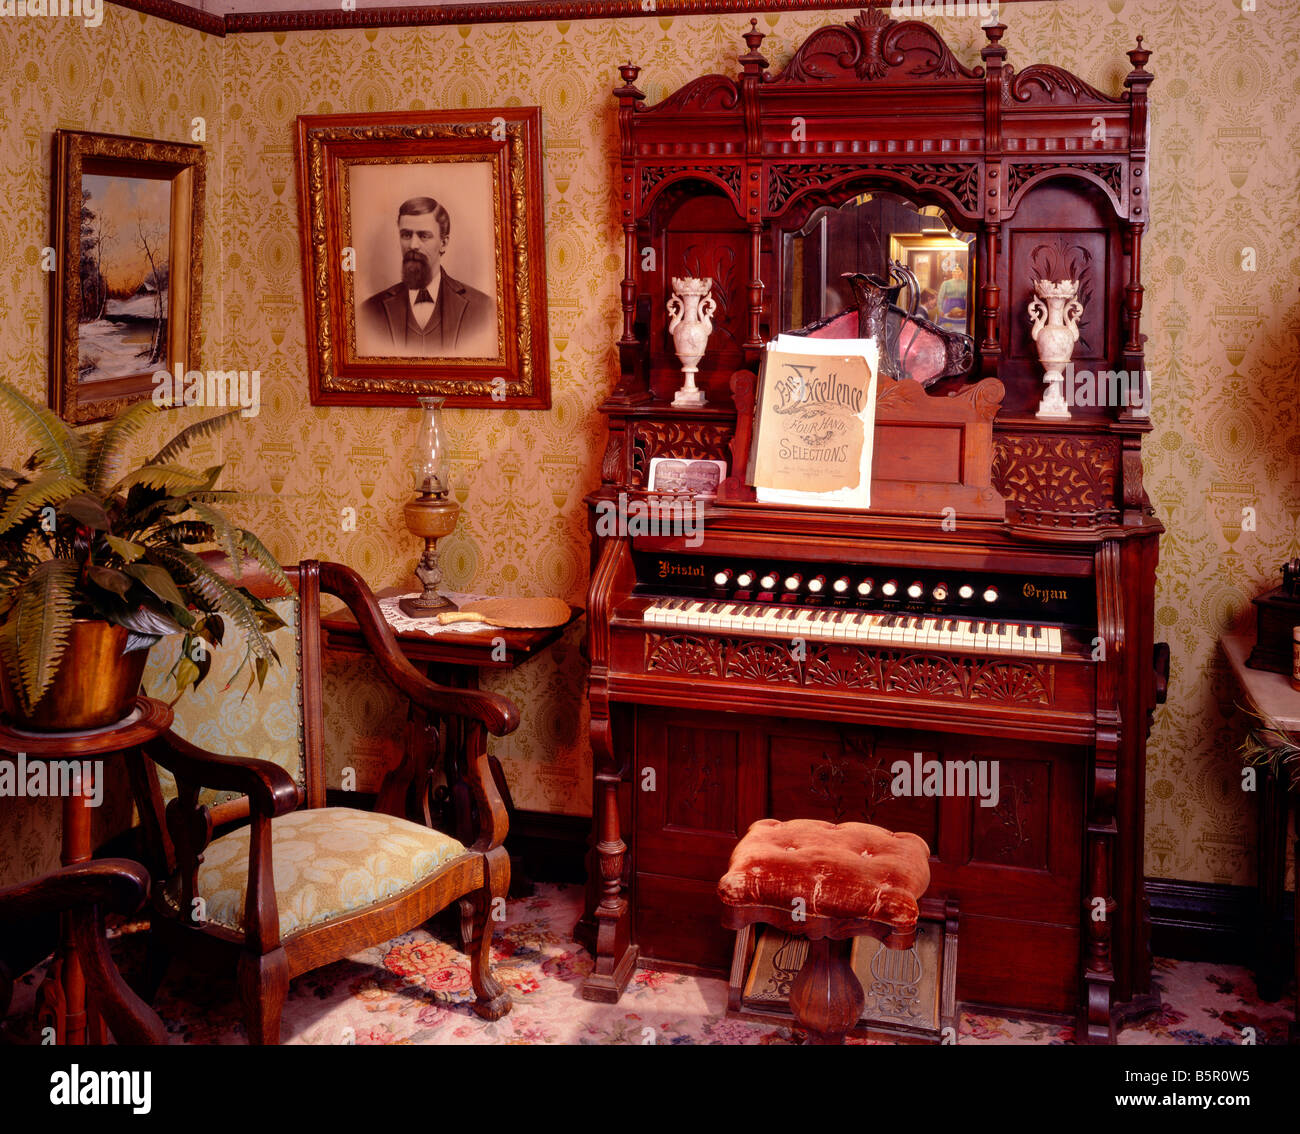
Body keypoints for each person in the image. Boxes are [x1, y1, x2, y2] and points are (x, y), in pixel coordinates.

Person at [357, 196, 494, 356]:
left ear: (443, 244)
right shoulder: (369, 311)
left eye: (424, 236)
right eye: (406, 235)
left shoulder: (483, 308)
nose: (413, 245)